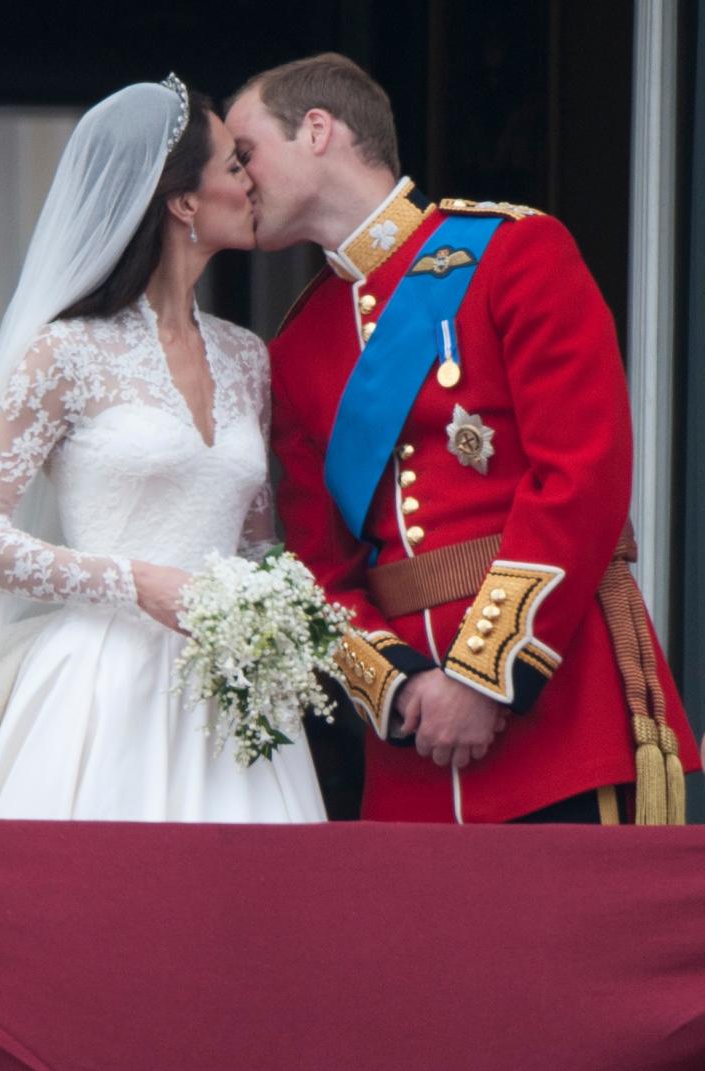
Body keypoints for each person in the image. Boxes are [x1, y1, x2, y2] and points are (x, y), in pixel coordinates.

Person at [225, 53, 701, 824]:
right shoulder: (298, 345)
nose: (237, 180)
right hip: (413, 754)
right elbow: (318, 565)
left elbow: (582, 478)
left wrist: (483, 677)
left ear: (317, 130)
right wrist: (405, 685)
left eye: (245, 154)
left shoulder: (515, 253)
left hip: (560, 718)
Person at [0, 75, 326, 822]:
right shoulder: (64, 353)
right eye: (235, 165)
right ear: (183, 201)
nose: (252, 181)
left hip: (233, 700)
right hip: (101, 690)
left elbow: (256, 544)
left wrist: (277, 616)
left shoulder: (245, 356)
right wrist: (132, 581)